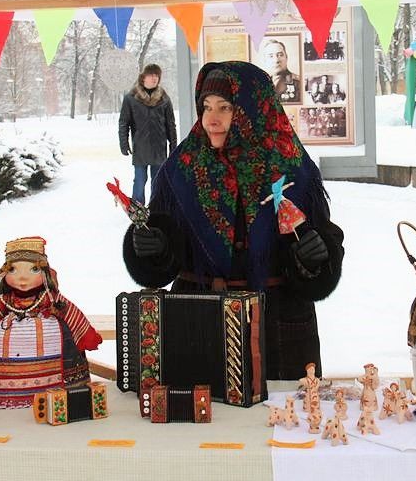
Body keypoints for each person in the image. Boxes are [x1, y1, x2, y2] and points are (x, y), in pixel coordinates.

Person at [123, 61, 345, 380]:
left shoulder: (293, 168)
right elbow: (164, 260)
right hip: (198, 322)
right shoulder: (181, 170)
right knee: (200, 422)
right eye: (206, 107)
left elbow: (322, 247)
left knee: (284, 424)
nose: (211, 119)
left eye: (225, 107)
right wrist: (152, 248)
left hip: (278, 328)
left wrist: (313, 258)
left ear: (254, 108)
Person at [0, 236, 101, 408]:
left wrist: (86, 335)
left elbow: (70, 312)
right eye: (13, 270)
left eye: (33, 270)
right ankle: (3, 392)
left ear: (45, 273)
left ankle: (64, 390)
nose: (22, 278)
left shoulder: (50, 300)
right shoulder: (4, 302)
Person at [119, 64, 177, 205]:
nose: (154, 78)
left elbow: (170, 124)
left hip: (159, 149)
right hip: (140, 148)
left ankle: (155, 207)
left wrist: (173, 145)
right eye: (151, 75)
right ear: (143, 77)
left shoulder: (164, 98)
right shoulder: (131, 98)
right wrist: (124, 143)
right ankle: (138, 209)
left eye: (157, 76)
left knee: (157, 181)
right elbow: (123, 123)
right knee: (140, 180)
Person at [261, 38, 301, 104]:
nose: (276, 60)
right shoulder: (260, 83)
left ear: (286, 57)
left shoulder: (299, 83)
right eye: (271, 56)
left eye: (280, 55)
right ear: (265, 60)